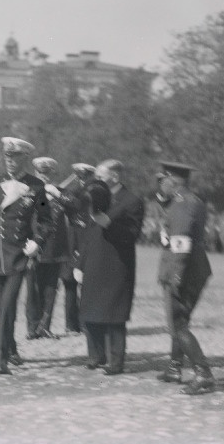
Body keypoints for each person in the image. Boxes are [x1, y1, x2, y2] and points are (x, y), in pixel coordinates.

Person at [0, 137, 52, 375]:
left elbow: (47, 221)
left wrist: (38, 241)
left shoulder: (37, 187)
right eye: (7, 157)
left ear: (24, 159)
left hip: (18, 256)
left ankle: (1, 358)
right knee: (1, 310)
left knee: (7, 307)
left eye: (15, 158)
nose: (10, 162)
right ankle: (12, 346)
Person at [75, 159, 144, 375]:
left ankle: (116, 362)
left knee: (115, 315)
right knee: (89, 310)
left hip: (117, 264)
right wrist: (79, 263)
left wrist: (110, 224)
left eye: (101, 176)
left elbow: (132, 235)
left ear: (115, 176)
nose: (97, 180)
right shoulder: (94, 196)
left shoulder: (132, 200)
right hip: (94, 261)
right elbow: (87, 234)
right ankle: (96, 356)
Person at [155, 160, 216, 395]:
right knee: (180, 321)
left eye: (164, 180)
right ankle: (174, 367)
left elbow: (180, 243)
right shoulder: (192, 200)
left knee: (177, 324)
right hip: (195, 267)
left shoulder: (181, 204)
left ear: (173, 179)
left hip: (184, 269)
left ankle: (204, 374)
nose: (161, 184)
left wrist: (176, 275)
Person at [45, 163, 96, 335]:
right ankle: (71, 323)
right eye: (78, 176)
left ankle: (86, 322)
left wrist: (57, 192)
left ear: (89, 177)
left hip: (86, 235)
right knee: (69, 281)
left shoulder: (93, 191)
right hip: (71, 237)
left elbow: (75, 203)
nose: (81, 180)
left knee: (86, 281)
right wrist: (52, 191)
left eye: (83, 177)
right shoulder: (73, 190)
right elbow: (61, 202)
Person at [24, 157, 67, 340]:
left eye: (48, 173)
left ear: (53, 174)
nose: (45, 176)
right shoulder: (30, 192)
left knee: (51, 289)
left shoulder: (60, 192)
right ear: (36, 173)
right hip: (35, 247)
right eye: (41, 173)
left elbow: (76, 205)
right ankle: (32, 327)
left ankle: (45, 327)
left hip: (55, 250)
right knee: (33, 289)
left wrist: (57, 194)